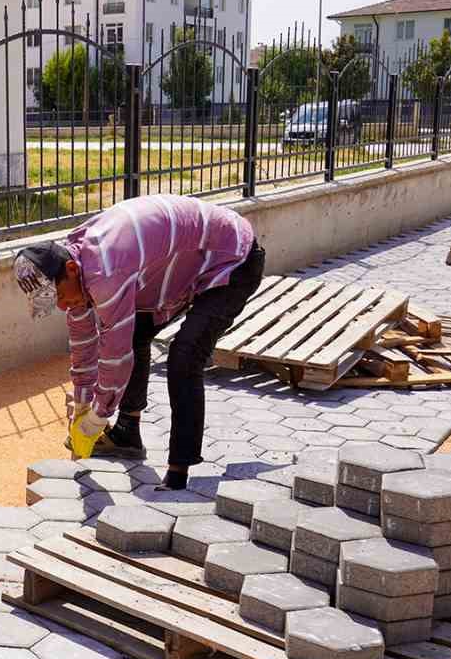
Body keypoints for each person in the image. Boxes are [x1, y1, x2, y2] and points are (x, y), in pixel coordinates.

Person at [13, 195, 266, 491]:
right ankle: (127, 433)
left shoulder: (104, 269)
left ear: (70, 270)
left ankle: (178, 473)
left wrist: (97, 417)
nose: (60, 306)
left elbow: (115, 356)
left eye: (57, 296)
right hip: (188, 259)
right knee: (135, 333)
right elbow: (83, 344)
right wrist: (81, 405)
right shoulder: (75, 259)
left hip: (233, 258)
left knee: (185, 355)